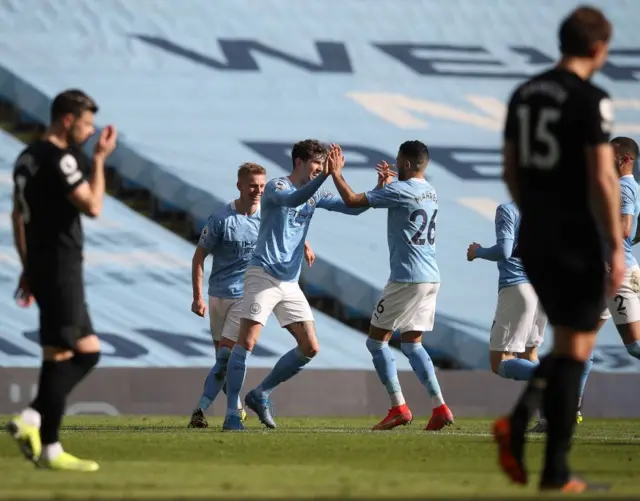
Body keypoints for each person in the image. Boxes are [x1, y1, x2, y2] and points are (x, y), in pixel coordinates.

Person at [493, 6, 623, 492]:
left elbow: (509, 168)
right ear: (598, 49)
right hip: (576, 235)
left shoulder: (523, 94)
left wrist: (536, 212)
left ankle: (533, 440)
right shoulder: (591, 99)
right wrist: (614, 244)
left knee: (570, 346)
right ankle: (551, 466)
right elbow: (602, 176)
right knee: (575, 351)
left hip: (536, 234)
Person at [222, 140, 384, 431]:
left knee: (310, 347)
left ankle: (260, 394)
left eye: (323, 166)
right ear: (299, 162)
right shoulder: (276, 187)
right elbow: (292, 202)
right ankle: (231, 414)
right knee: (246, 343)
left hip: (290, 281)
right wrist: (325, 176)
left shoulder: (316, 191)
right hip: (263, 274)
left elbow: (354, 207)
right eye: (316, 165)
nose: (319, 170)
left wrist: (379, 189)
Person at [6, 89, 118, 471]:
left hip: (43, 264)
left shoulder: (26, 157)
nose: (90, 133)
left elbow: (16, 216)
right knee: (62, 355)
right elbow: (93, 205)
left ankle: (43, 435)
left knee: (86, 352)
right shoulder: (62, 158)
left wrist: (26, 265)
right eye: (86, 125)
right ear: (67, 120)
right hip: (60, 266)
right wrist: (100, 160)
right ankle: (39, 430)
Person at [329, 141, 454, 431]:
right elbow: (400, 199)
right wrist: (386, 185)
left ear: (408, 164)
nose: (396, 166)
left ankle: (398, 407)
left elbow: (351, 200)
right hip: (431, 277)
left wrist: (336, 174)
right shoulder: (429, 190)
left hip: (407, 278)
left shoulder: (399, 190)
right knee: (412, 343)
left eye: (399, 162)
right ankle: (440, 407)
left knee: (376, 341)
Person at [188, 163, 315, 428]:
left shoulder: (267, 214)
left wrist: (304, 244)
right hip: (217, 296)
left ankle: (204, 410)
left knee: (226, 357)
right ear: (240, 186)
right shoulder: (222, 219)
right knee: (222, 364)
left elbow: (286, 229)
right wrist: (197, 296)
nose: (258, 190)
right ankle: (234, 407)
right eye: (253, 186)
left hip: (245, 294)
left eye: (261, 185)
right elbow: (199, 256)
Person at [529, 136, 640, 434]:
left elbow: (626, 228)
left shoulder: (626, 187)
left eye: (612, 155)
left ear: (626, 159)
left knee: (634, 345)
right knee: (581, 343)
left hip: (616, 274)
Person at [467, 202, 546, 382]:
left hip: (517, 286)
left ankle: (550, 377)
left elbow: (504, 251)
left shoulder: (508, 209)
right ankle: (552, 408)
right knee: (529, 354)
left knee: (500, 361)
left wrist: (477, 252)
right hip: (542, 288)